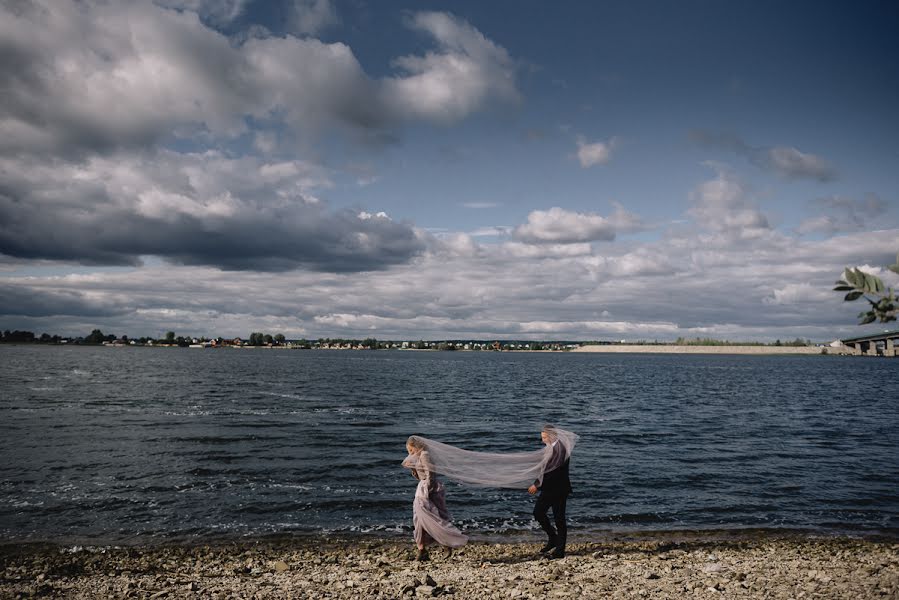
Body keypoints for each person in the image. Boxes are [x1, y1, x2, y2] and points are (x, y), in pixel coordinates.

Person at [402, 436, 468, 561]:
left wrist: (428, 489)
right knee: (420, 520)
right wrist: (412, 468)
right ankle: (422, 550)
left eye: (411, 450)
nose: (410, 453)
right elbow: (420, 476)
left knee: (431, 517)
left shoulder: (425, 455)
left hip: (427, 489)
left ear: (417, 447)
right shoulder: (419, 456)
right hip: (422, 487)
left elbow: (430, 474)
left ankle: (446, 543)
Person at [528, 424, 572, 559]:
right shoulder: (552, 447)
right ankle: (554, 539)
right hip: (552, 487)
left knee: (557, 518)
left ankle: (559, 549)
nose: (543, 440)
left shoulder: (559, 449)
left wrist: (537, 485)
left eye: (545, 437)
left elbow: (553, 471)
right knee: (541, 514)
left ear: (552, 436)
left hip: (557, 488)